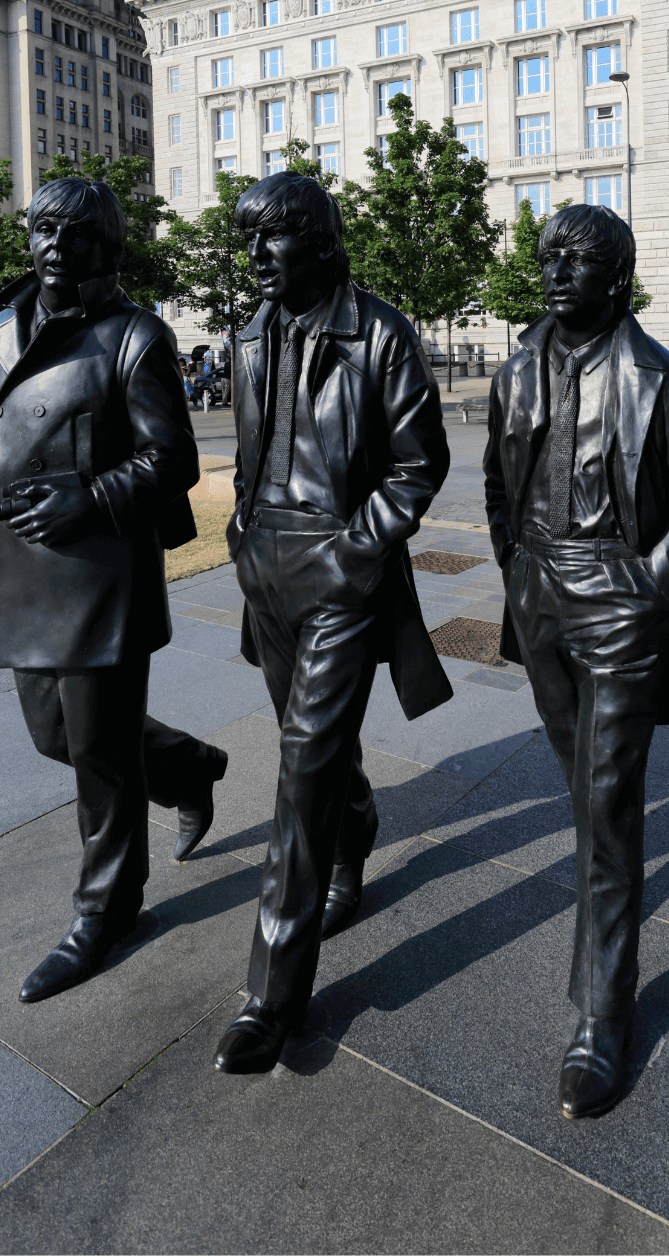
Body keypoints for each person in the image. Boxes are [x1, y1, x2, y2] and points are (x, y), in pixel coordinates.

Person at [0, 178, 228, 1004]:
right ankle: (190, 768)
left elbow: (174, 459)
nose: (55, 245)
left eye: (76, 234)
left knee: (101, 760)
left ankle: (106, 912)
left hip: (99, 574)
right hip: (18, 567)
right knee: (57, 738)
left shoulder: (134, 337)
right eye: (44, 229)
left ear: (107, 248)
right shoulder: (0, 331)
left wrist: (92, 494)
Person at [213, 172, 452, 1076]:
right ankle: (356, 829)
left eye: (271, 238)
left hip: (340, 569)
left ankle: (271, 996)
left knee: (303, 761)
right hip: (265, 566)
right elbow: (245, 456)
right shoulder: (247, 335)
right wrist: (241, 530)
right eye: (250, 242)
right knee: (311, 746)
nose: (256, 258)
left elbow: (416, 464)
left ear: (315, 237)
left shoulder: (380, 334)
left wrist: (357, 554)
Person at [483, 203, 669, 1120]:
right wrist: (520, 570)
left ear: (618, 275)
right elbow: (496, 485)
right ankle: (609, 918)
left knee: (606, 800)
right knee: (584, 791)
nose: (556, 272)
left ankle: (601, 1012)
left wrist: (646, 585)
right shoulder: (515, 370)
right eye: (547, 258)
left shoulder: (660, 378)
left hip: (619, 594)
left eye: (577, 259)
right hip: (539, 590)